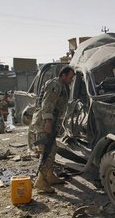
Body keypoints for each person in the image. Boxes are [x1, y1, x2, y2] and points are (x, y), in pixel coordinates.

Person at [31, 65, 75, 193]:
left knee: (52, 148)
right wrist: (48, 122)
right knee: (47, 152)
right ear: (63, 75)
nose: (71, 80)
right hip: (44, 122)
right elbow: (48, 103)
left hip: (49, 122)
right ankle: (40, 181)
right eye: (70, 77)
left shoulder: (62, 86)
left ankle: (49, 176)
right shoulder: (55, 84)